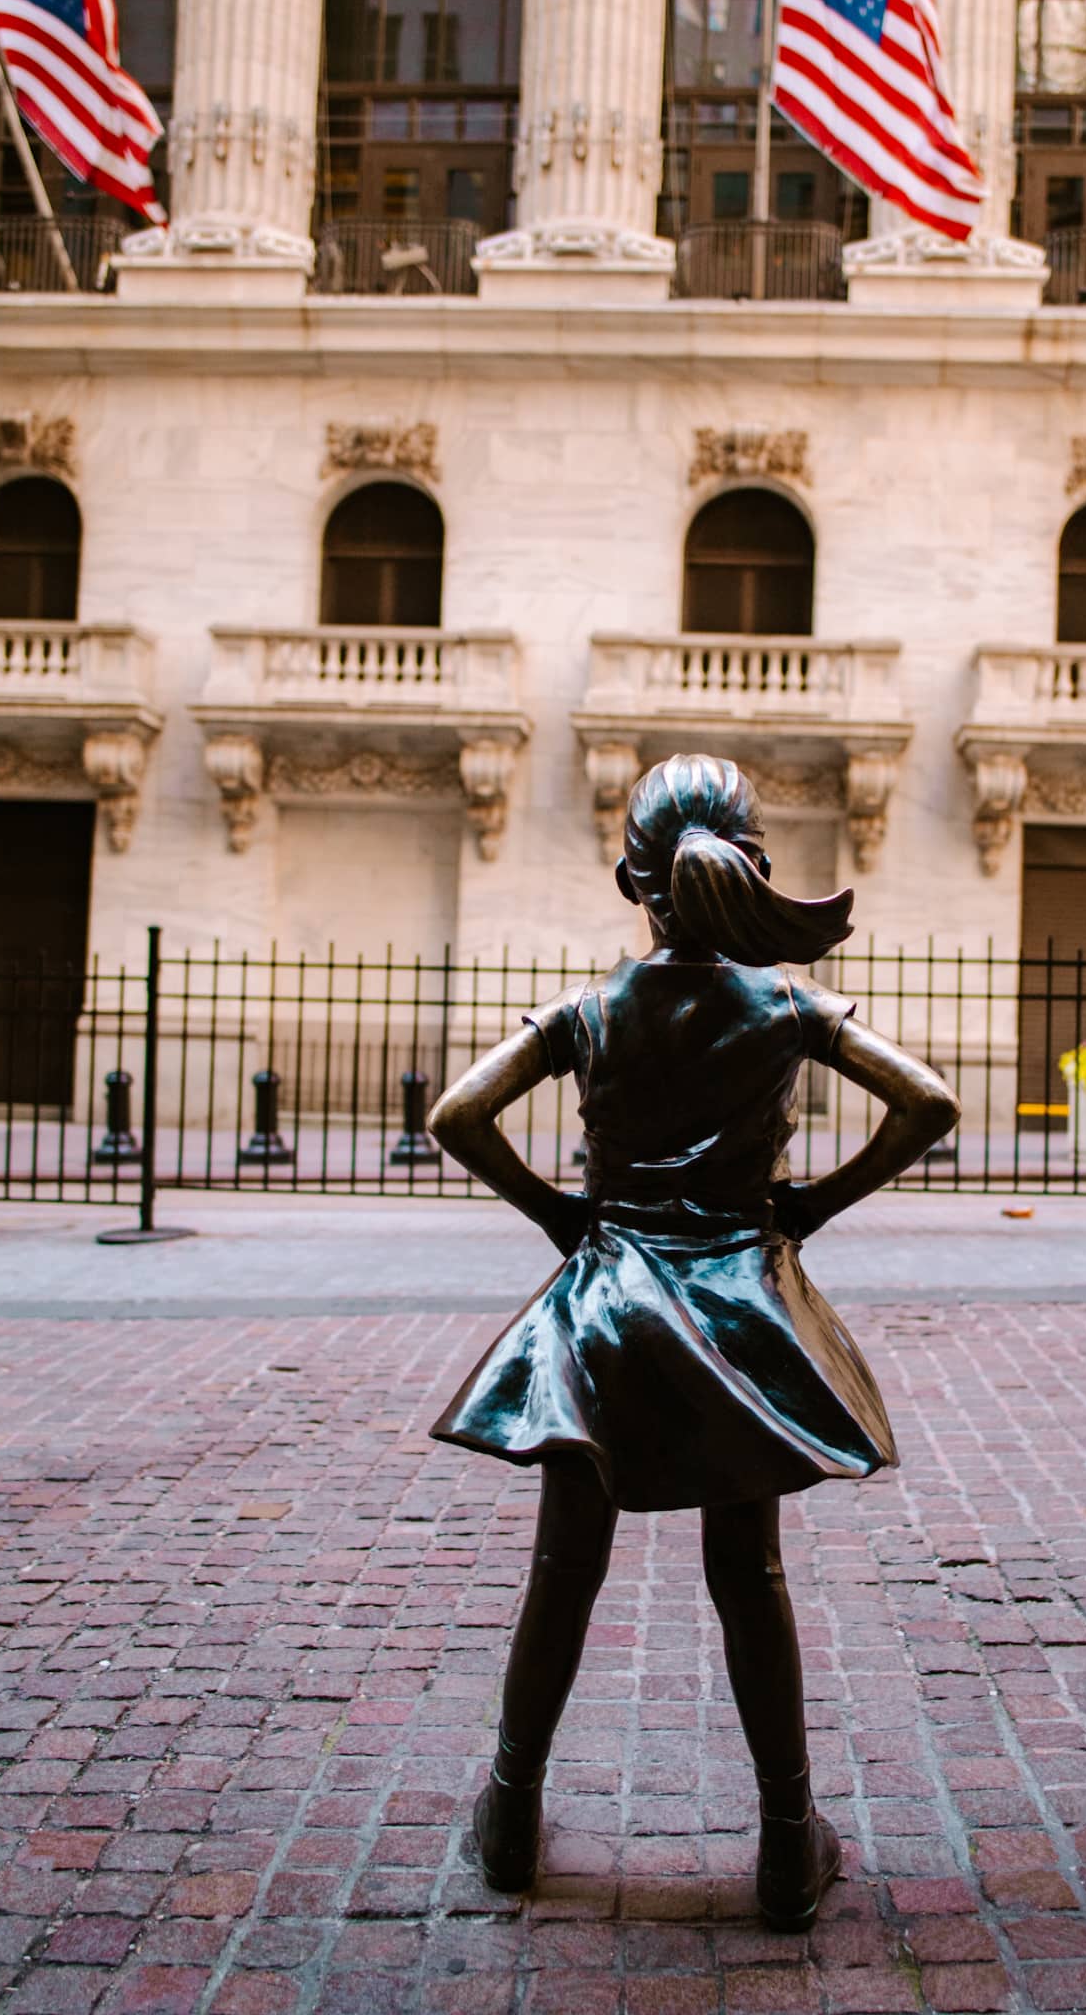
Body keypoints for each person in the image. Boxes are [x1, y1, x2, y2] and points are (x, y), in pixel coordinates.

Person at [427, 753, 959, 1929]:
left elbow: (456, 1114)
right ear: (752, 869)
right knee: (749, 1575)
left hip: (605, 1306)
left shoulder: (591, 1008)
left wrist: (562, 1216)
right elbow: (928, 1100)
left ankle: (511, 1816)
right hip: (738, 1311)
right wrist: (812, 1203)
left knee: (565, 1567)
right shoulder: (785, 1006)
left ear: (634, 877)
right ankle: (784, 1842)